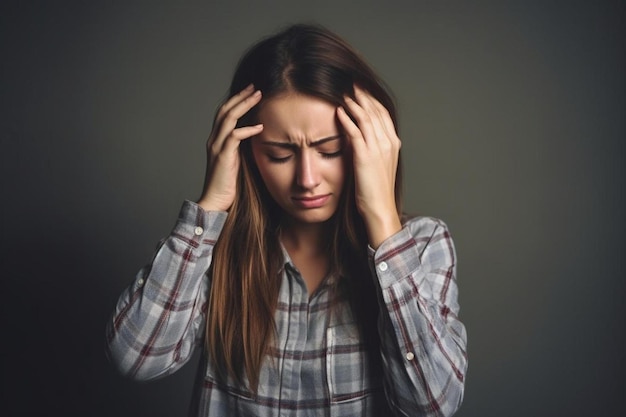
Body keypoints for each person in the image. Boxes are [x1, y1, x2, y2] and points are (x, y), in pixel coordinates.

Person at [106, 23, 467, 417]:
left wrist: (381, 219)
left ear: (373, 146)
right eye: (280, 155)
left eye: (329, 150)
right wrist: (211, 206)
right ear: (244, 153)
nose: (307, 179)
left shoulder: (424, 244)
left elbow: (432, 405)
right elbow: (137, 358)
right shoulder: (217, 249)